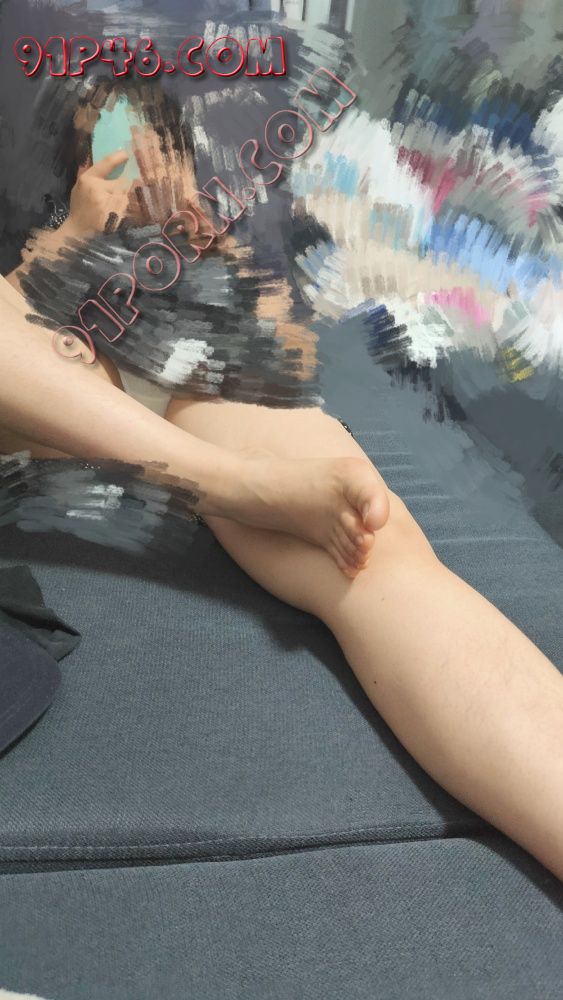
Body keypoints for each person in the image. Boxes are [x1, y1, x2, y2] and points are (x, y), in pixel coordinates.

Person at [0, 78, 562, 883]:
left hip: (188, 385)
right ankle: (226, 482)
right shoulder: (49, 246)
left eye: (157, 153)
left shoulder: (210, 239)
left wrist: (213, 256)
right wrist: (79, 237)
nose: (140, 170)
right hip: (60, 379)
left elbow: (288, 359)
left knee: (369, 547)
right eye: (114, 152)